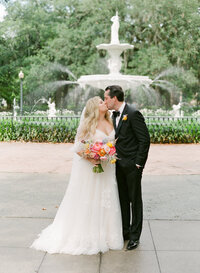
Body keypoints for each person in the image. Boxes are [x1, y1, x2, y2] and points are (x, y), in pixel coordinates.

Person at [30, 96, 123, 255]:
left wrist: (107, 154)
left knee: (106, 199)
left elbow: (112, 144)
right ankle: (88, 235)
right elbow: (78, 148)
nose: (104, 103)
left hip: (107, 169)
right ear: (94, 107)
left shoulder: (110, 121)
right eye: (101, 102)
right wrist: (93, 157)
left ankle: (108, 235)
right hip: (92, 168)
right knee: (90, 199)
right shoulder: (88, 125)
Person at [104, 85, 150, 250]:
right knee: (122, 200)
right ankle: (125, 232)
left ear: (114, 98)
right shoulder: (111, 116)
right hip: (117, 166)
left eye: (106, 98)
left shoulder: (133, 113)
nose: (105, 101)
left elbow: (144, 140)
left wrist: (138, 163)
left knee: (134, 201)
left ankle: (135, 237)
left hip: (132, 166)